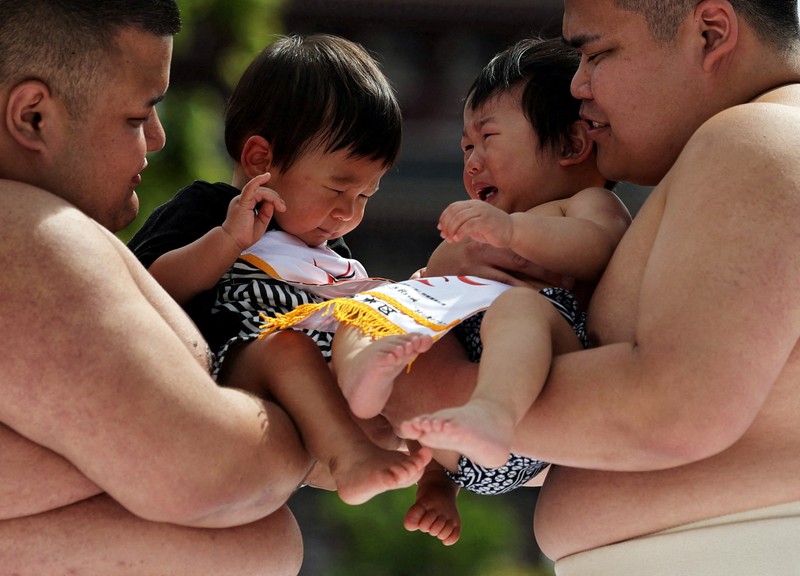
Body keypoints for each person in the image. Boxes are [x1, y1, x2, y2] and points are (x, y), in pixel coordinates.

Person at [379, 0, 800, 573]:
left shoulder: (759, 135)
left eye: (596, 54)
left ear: (710, 32)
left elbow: (671, 411)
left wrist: (433, 389)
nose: (576, 87)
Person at [262, 37, 629, 546]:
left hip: (530, 390)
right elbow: (435, 282)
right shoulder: (488, 223)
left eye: (489, 137)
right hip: (455, 431)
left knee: (520, 310)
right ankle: (371, 392)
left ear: (569, 145)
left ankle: (492, 414)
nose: (473, 161)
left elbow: (595, 247)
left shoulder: (586, 204)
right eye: (466, 147)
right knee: (373, 307)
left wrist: (512, 233)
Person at [0, 2, 313, 574]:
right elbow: (210, 471)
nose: (158, 137)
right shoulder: (23, 233)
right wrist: (310, 419)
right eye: (137, 114)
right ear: (34, 117)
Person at [128, 34, 432, 507]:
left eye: (365, 197)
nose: (348, 213)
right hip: (236, 373)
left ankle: (432, 468)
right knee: (284, 346)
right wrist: (227, 243)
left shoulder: (330, 246)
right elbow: (143, 289)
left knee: (398, 346)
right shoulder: (209, 209)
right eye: (337, 189)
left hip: (323, 398)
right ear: (260, 161)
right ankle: (349, 458)